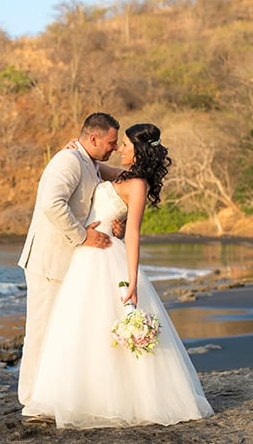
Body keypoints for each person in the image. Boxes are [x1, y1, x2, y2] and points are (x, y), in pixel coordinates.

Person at [26, 123, 214, 429]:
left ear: (137, 151)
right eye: (117, 143)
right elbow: (96, 168)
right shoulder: (123, 175)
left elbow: (135, 234)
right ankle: (83, 395)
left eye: (124, 145)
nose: (120, 149)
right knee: (80, 330)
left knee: (99, 328)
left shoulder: (138, 184)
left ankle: (113, 399)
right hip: (85, 255)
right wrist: (76, 150)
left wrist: (132, 281)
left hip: (104, 256)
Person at [17, 112, 124, 420]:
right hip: (49, 261)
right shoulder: (67, 161)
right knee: (40, 331)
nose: (114, 147)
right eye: (111, 142)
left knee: (61, 332)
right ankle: (31, 402)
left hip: (71, 264)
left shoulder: (89, 161)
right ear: (94, 139)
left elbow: (117, 177)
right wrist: (83, 236)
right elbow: (52, 203)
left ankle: (51, 397)